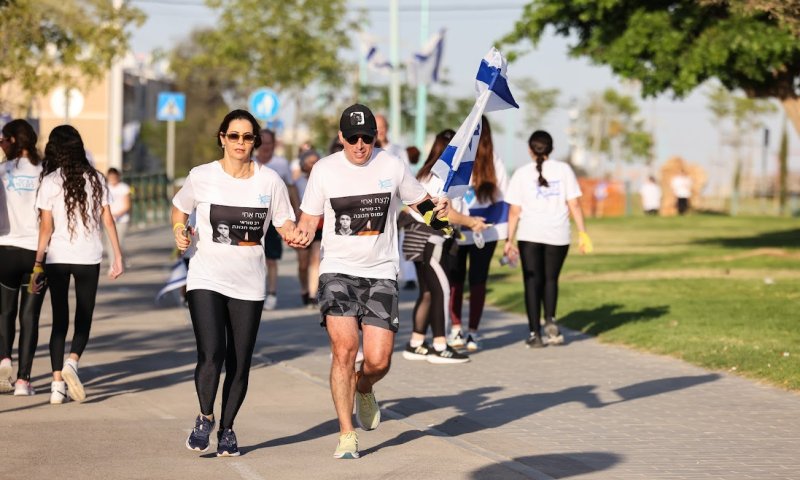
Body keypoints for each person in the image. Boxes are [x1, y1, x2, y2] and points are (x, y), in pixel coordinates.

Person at [291, 103, 450, 459]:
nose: (360, 145)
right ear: (340, 138)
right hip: (338, 272)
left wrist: (438, 213)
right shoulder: (324, 170)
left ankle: (364, 386)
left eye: (367, 138)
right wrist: (299, 234)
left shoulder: (391, 166)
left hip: (380, 273)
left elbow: (420, 205)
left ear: (375, 137)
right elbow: (308, 220)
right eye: (353, 138)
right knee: (344, 349)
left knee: (379, 361)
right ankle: (346, 432)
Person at [172, 109, 295, 457]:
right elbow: (179, 209)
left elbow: (285, 223)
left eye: (247, 137)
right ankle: (204, 416)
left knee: (240, 362)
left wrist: (296, 234)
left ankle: (227, 428)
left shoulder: (270, 181)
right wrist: (180, 232)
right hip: (206, 275)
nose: (241, 143)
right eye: (234, 136)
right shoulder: (202, 176)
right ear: (222, 138)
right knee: (212, 353)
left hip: (249, 282)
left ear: (255, 141)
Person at [31, 125, 125, 404]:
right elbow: (108, 220)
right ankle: (73, 361)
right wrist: (117, 256)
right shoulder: (97, 179)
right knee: (84, 315)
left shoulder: (50, 181)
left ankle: (56, 385)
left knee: (60, 320)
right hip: (89, 257)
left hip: (58, 258)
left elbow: (45, 228)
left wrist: (38, 263)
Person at [399, 129, 486, 365]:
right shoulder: (442, 177)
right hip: (431, 240)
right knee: (442, 291)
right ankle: (440, 345)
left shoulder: (427, 172)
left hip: (417, 239)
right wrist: (472, 223)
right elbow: (445, 213)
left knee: (427, 291)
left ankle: (416, 342)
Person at [504, 130, 592, 348]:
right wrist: (583, 233)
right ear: (551, 148)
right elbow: (574, 205)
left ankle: (535, 334)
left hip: (529, 234)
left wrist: (509, 240)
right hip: (558, 234)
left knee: (532, 282)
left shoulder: (522, 173)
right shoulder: (564, 170)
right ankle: (551, 321)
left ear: (529, 150)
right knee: (551, 279)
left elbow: (514, 211)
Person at [447, 115, 508, 352]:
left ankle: (457, 330)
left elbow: (504, 195)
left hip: (471, 229)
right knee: (477, 281)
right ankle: (471, 333)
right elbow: (505, 197)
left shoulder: (464, 158)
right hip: (480, 229)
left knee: (457, 280)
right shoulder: (493, 160)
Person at [0, 119, 47, 396]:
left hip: (4, 251)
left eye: (3, 140)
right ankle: (23, 381)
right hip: (35, 254)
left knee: (5, 312)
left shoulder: (2, 171)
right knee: (30, 317)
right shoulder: (45, 172)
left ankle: (4, 358)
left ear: (14, 141)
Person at [254, 128, 300, 310]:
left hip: (274, 218)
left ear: (274, 144)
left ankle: (272, 293)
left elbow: (291, 188)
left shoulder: (281, 164)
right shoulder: (249, 162)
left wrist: (296, 213)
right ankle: (256, 292)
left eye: (269, 143)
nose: (266, 147)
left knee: (271, 259)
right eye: (262, 142)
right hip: (253, 217)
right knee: (253, 257)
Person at [376, 114, 417, 290]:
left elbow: (406, 176)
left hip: (396, 202)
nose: (380, 131)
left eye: (383, 127)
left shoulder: (398, 151)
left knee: (401, 239)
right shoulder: (368, 151)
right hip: (375, 202)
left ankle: (408, 276)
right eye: (377, 128)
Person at [293, 148, 323, 307]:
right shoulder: (298, 183)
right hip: (302, 225)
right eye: (310, 162)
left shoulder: (324, 180)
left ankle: (313, 294)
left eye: (316, 162)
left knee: (315, 258)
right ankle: (304, 288)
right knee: (303, 263)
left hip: (320, 224)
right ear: (303, 164)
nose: (313, 165)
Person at [105, 168, 131, 270]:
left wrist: (116, 214)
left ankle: (121, 259)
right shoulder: (106, 188)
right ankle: (113, 265)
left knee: (119, 243)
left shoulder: (124, 188)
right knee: (110, 243)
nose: (112, 179)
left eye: (114, 177)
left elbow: (127, 205)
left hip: (122, 220)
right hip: (109, 219)